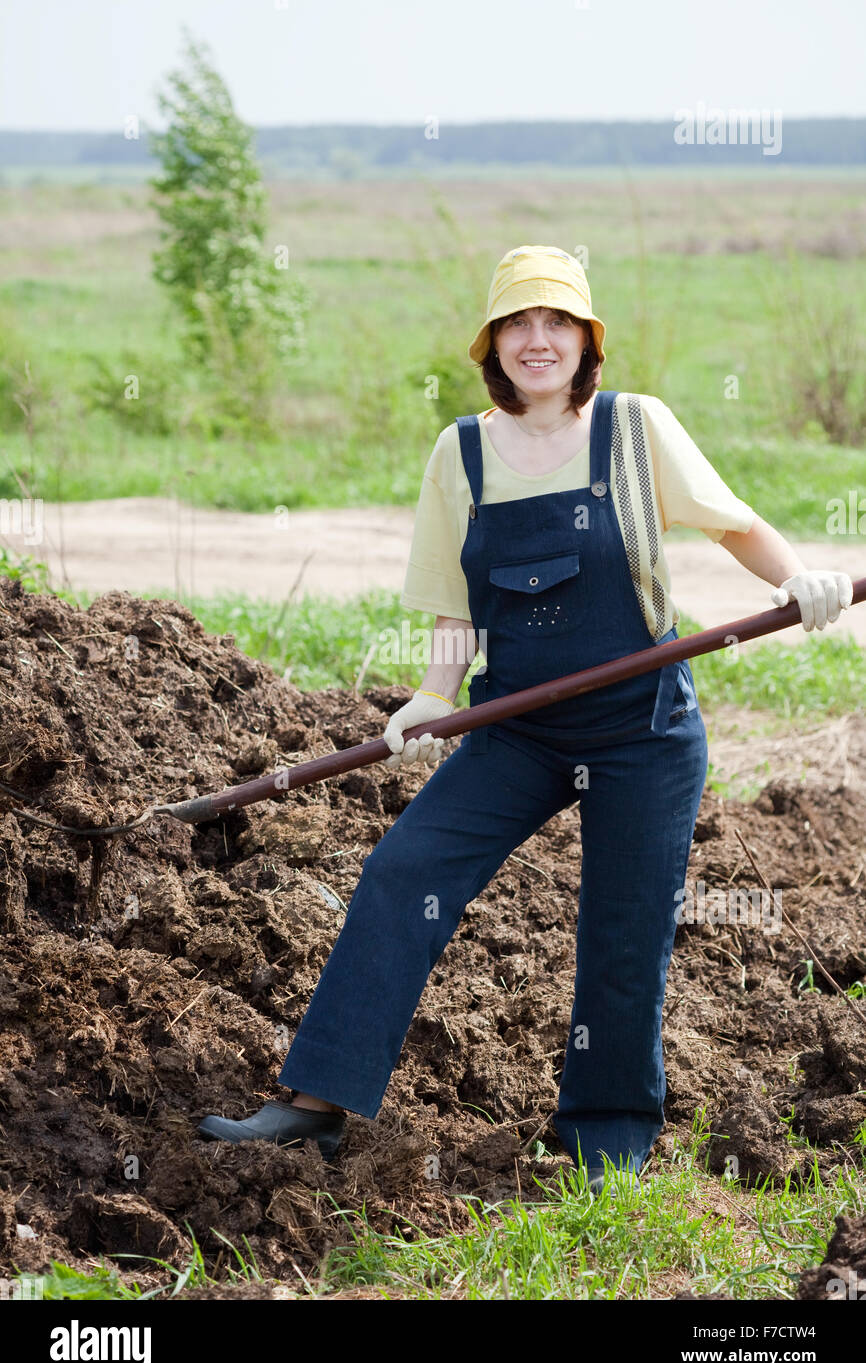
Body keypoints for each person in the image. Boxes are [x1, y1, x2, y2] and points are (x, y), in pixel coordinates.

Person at [199, 245, 853, 1194]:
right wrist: (433, 693)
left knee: (623, 928)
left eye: (556, 324)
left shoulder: (636, 429)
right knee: (400, 872)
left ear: (585, 341)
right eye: (517, 324)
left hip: (643, 731)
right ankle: (317, 1104)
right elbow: (452, 598)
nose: (536, 341)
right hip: (522, 729)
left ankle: (606, 1140)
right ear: (493, 345)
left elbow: (734, 523)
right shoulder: (460, 452)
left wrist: (799, 579)